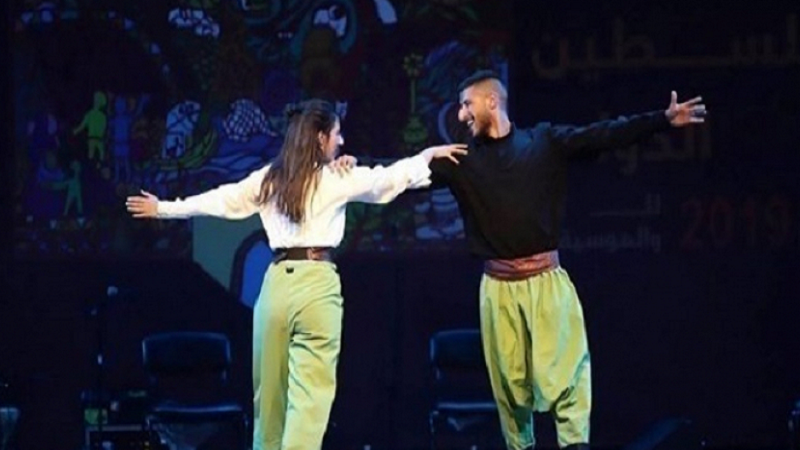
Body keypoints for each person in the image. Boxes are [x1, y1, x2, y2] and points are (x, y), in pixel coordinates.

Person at [125, 99, 467, 450]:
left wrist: (164, 208)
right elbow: (388, 179)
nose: (341, 141)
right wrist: (427, 156)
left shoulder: (271, 178)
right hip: (317, 284)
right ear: (320, 138)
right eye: (336, 133)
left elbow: (222, 199)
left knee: (269, 396)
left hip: (277, 286)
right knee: (311, 395)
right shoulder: (335, 178)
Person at [428, 70, 707, 450]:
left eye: (466, 104)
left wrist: (661, 119)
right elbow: (400, 176)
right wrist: (351, 166)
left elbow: (602, 134)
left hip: (546, 282)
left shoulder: (542, 142)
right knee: (510, 388)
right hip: (498, 289)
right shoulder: (461, 160)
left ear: (491, 101)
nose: (461, 115)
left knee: (569, 377)